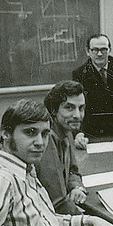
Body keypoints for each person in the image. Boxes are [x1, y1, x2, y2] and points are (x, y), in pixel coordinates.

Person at [72, 34, 113, 144]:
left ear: (110, 50)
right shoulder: (79, 73)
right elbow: (77, 106)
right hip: (94, 132)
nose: (99, 54)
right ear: (87, 51)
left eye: (103, 49)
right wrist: (79, 134)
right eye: (95, 50)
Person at [37, 80, 87, 214]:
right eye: (69, 108)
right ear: (54, 110)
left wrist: (76, 187)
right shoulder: (46, 138)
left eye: (81, 108)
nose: (77, 115)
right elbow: (57, 202)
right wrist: (86, 222)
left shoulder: (67, 130)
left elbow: (73, 171)